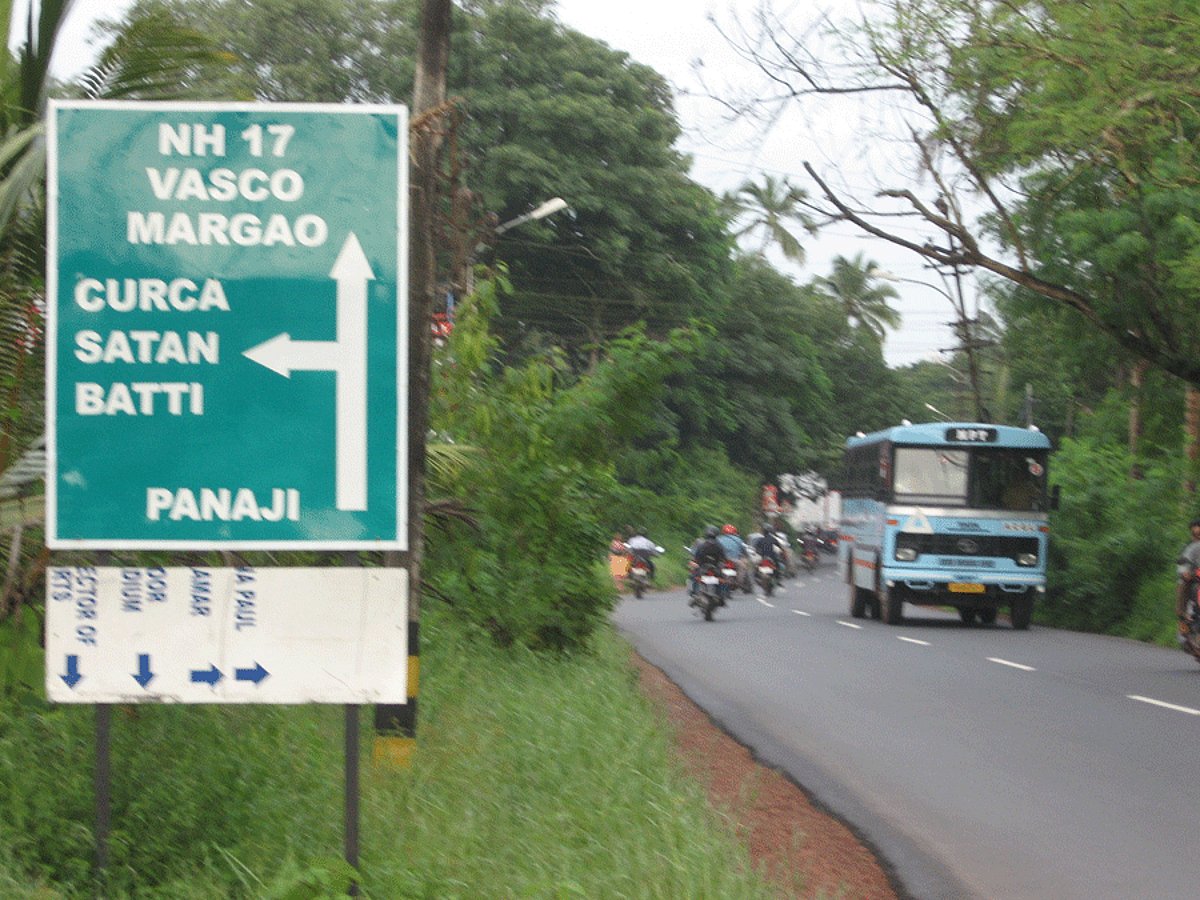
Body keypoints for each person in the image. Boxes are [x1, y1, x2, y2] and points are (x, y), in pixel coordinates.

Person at [1176, 518, 1200, 643]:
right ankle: (1182, 617)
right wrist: (1185, 572)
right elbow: (1183, 562)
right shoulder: (1190, 548)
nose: (1196, 538)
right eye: (1194, 534)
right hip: (1195, 579)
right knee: (1183, 584)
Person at [690, 526, 727, 602]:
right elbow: (723, 558)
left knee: (695, 576)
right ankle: (721, 595)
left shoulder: (702, 544)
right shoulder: (719, 545)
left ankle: (694, 593)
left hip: (703, 568)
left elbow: (697, 557)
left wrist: (696, 563)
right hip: (715, 569)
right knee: (722, 579)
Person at [716, 523, 749, 589]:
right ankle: (739, 582)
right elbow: (744, 551)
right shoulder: (738, 540)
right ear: (734, 531)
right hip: (735, 560)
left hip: (723, 560)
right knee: (742, 566)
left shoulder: (718, 539)